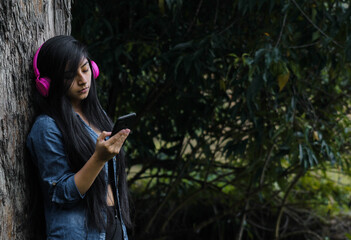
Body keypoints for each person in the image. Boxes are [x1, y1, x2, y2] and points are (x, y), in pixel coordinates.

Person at [26, 35, 132, 240]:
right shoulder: (47, 127)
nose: (82, 80)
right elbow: (60, 194)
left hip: (113, 228)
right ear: (49, 83)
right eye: (69, 76)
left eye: (85, 69)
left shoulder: (98, 118)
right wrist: (98, 159)